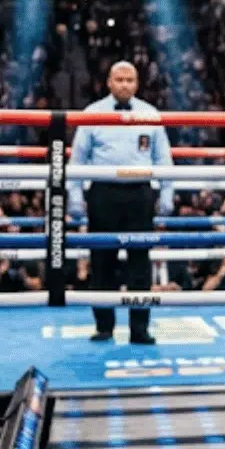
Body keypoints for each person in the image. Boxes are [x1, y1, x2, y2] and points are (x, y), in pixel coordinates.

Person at [68, 61, 172, 345]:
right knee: (102, 262)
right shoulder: (93, 113)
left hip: (139, 194)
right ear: (109, 82)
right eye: (119, 79)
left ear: (137, 83)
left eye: (130, 80)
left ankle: (140, 329)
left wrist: (166, 194)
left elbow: (163, 159)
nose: (125, 84)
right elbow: (77, 159)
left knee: (140, 262)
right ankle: (104, 326)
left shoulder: (150, 114)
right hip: (103, 194)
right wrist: (75, 197)